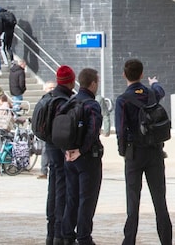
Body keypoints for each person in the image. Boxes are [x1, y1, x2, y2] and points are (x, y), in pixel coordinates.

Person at [114, 59, 172, 245]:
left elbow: (121, 129)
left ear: (124, 75)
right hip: (155, 152)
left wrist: (123, 151)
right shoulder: (152, 94)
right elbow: (160, 90)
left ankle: (129, 240)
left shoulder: (123, 100)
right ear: (141, 74)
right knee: (159, 200)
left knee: (133, 201)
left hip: (134, 153)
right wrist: (154, 82)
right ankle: (166, 240)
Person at [63, 68, 105, 245]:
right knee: (87, 199)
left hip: (69, 157)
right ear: (93, 84)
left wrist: (67, 149)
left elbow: (61, 128)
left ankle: (67, 234)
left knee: (71, 197)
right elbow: (93, 131)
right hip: (87, 159)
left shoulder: (70, 102)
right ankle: (84, 237)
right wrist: (81, 150)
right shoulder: (92, 105)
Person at [43, 70, 75, 243]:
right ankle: (59, 234)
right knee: (62, 191)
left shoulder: (48, 98)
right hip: (61, 149)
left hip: (50, 147)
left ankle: (51, 232)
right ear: (70, 81)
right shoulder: (65, 102)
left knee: (53, 188)